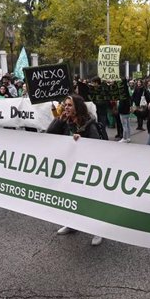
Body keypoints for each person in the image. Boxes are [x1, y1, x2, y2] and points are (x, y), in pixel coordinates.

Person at [46, 94, 103, 246]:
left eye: (70, 105)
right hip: (69, 166)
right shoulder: (65, 121)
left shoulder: (89, 124)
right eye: (65, 105)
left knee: (90, 199)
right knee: (71, 196)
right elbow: (49, 134)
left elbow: (97, 147)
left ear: (78, 107)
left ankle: (98, 230)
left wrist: (82, 141)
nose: (66, 107)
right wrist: (59, 119)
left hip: (86, 169)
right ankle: (72, 224)